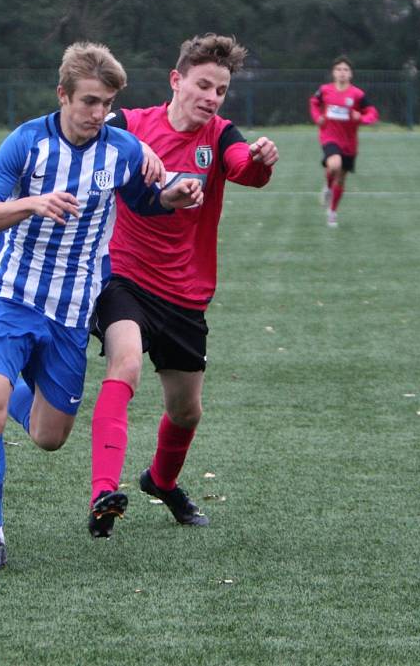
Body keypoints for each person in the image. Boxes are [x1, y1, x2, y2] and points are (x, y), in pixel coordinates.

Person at [0, 41, 202, 571]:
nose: (98, 114)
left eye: (107, 104)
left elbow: (142, 200)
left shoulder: (122, 149)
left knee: (50, 435)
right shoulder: (26, 143)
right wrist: (31, 203)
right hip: (9, 293)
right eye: (89, 101)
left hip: (71, 306)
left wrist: (170, 199)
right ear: (63, 94)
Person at [83, 33, 279, 539]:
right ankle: (103, 491)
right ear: (177, 80)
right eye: (203, 85)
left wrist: (259, 159)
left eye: (220, 89)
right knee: (124, 363)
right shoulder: (132, 125)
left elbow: (244, 170)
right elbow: (89, 138)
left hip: (186, 294)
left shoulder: (221, 135)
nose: (212, 97)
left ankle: (161, 481)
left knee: (186, 411)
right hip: (124, 276)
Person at [309, 55, 378, 227]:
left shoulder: (357, 94)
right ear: (333, 73)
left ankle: (332, 212)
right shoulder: (325, 90)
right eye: (339, 69)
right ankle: (327, 185)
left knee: (341, 178)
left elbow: (372, 113)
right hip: (329, 137)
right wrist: (318, 117)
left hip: (349, 143)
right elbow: (314, 103)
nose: (342, 73)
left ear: (351, 74)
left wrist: (360, 118)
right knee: (334, 165)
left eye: (345, 70)